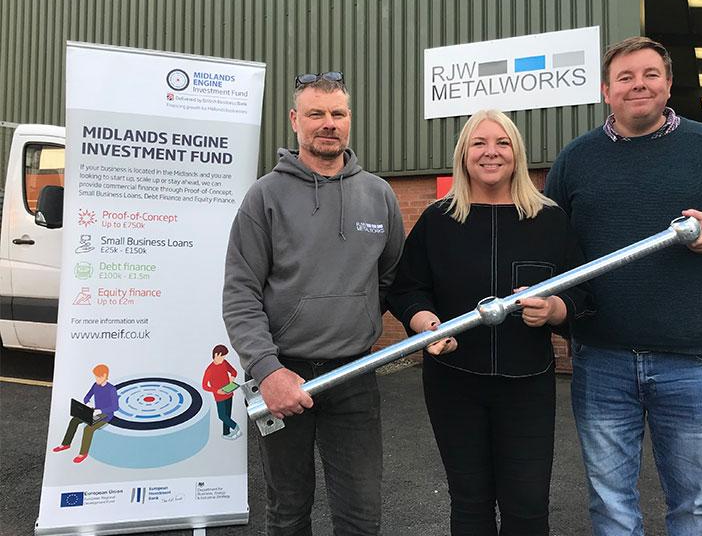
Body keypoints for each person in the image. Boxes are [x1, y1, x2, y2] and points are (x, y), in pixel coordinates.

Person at [545, 36, 702, 535]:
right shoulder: (575, 159)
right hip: (601, 361)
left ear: (668, 84)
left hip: (690, 362)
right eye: (625, 77)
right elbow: (552, 250)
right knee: (611, 507)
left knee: (694, 507)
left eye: (650, 74)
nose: (638, 85)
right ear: (606, 91)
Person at [387, 109, 592, 536]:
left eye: (501, 143)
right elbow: (407, 288)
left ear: (516, 153)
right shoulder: (439, 221)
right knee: (470, 504)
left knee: (528, 506)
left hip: (527, 384)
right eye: (479, 144)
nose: (490, 152)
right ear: (463, 155)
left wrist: (556, 309)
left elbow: (583, 290)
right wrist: (425, 323)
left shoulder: (550, 220)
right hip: (453, 384)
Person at [223, 71, 404, 536]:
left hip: (354, 375)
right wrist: (268, 370)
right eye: (316, 114)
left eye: (337, 113)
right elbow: (241, 292)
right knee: (287, 511)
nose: (328, 123)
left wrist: (355, 316)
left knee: (361, 514)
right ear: (295, 121)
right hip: (283, 376)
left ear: (349, 120)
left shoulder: (378, 194)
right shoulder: (265, 196)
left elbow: (389, 276)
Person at [52, 363, 118, 464]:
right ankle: (65, 444)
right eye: (95, 376)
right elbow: (87, 397)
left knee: (88, 429)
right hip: (93, 410)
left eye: (98, 377)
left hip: (106, 415)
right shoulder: (95, 385)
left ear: (104, 376)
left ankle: (83, 453)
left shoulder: (111, 389)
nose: (96, 379)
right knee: (74, 420)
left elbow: (115, 407)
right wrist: (88, 403)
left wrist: (100, 411)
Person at [201, 344, 241, 440]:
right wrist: (217, 391)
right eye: (222, 356)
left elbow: (233, 371)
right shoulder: (209, 370)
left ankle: (226, 433)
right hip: (219, 397)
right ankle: (235, 427)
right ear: (216, 355)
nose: (223, 358)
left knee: (227, 415)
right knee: (222, 416)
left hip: (229, 393)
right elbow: (205, 386)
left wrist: (231, 380)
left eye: (224, 357)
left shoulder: (224, 363)